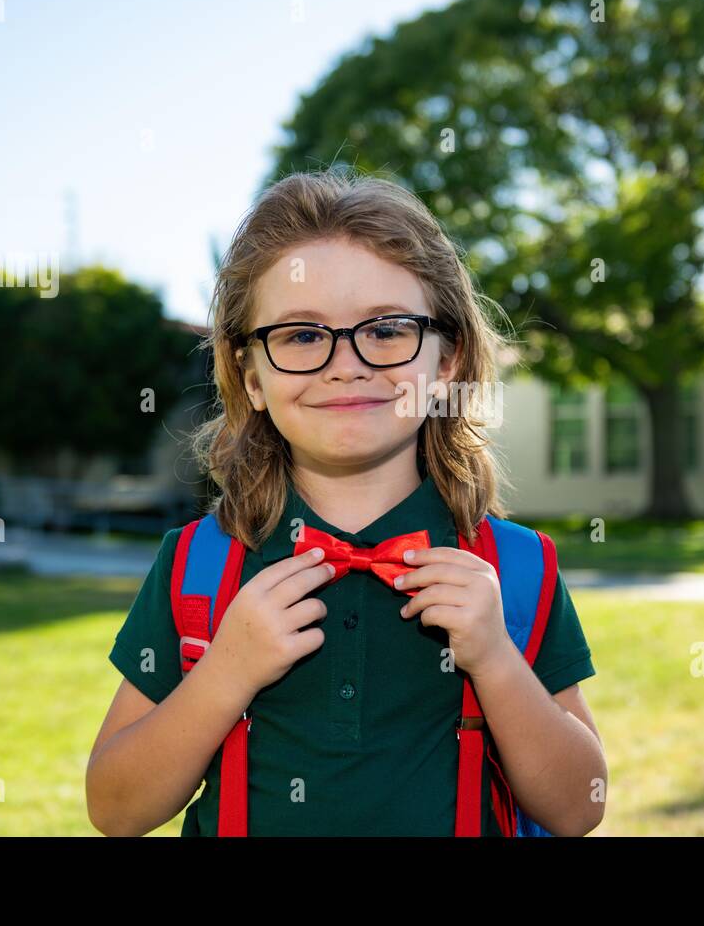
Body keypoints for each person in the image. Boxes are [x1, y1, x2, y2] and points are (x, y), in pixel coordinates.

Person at [85, 168, 605, 836]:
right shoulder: (197, 566)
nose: (346, 363)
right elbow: (116, 809)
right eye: (301, 335)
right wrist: (226, 673)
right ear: (252, 375)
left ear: (446, 360)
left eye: (386, 329)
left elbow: (579, 807)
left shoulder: (517, 568)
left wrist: (497, 660)